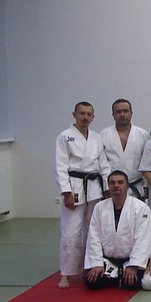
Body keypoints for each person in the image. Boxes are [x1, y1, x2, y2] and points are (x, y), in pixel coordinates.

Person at [55, 101, 109, 288]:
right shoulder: (65, 137)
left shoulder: (97, 138)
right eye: (82, 113)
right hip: (75, 187)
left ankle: (89, 266)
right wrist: (66, 192)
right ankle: (66, 273)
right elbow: (60, 166)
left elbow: (104, 164)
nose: (85, 117)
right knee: (70, 233)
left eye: (88, 114)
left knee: (93, 230)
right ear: (74, 115)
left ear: (93, 117)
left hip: (94, 188)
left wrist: (107, 188)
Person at [84, 170, 151, 290]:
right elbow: (94, 237)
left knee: (132, 284)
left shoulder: (141, 207)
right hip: (108, 260)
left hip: (129, 261)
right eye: (112, 183)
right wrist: (97, 264)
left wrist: (133, 266)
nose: (116, 186)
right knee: (92, 282)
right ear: (108, 186)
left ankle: (119, 277)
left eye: (120, 182)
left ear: (127, 186)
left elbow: (143, 239)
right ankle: (117, 277)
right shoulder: (99, 207)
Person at [100, 98, 150, 200]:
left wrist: (146, 186)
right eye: (118, 112)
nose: (122, 114)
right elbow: (102, 164)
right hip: (113, 188)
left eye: (125, 111)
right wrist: (106, 187)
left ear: (131, 113)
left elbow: (147, 163)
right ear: (113, 114)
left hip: (137, 186)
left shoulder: (143, 135)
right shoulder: (104, 135)